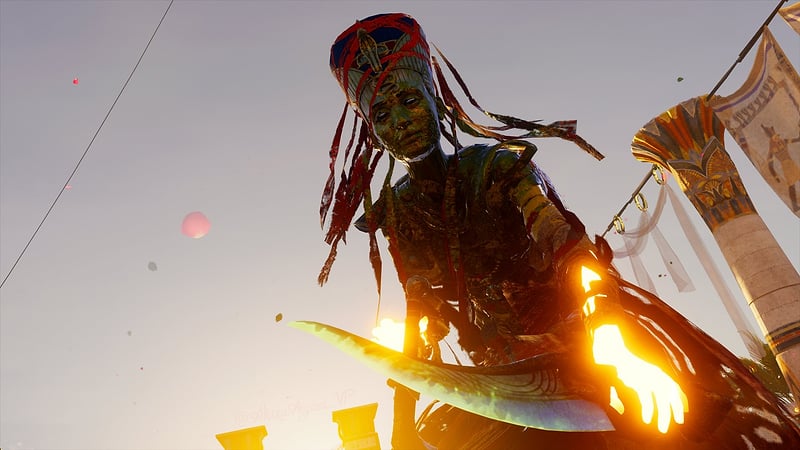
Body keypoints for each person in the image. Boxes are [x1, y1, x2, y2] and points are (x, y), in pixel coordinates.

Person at [318, 13, 800, 449]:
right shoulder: (397, 211)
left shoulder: (499, 168)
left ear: (434, 100)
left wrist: (610, 339)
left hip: (582, 331)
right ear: (371, 130)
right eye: (382, 115)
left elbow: (571, 251)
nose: (400, 122)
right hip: (497, 372)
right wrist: (403, 415)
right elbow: (420, 311)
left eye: (409, 101)